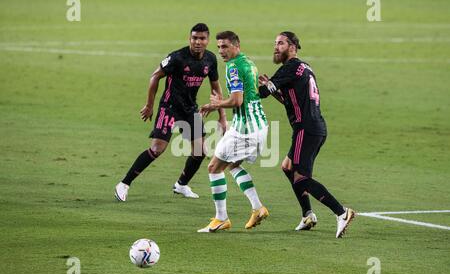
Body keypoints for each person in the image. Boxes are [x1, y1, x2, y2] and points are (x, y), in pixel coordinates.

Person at [115, 23, 227, 201]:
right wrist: (149, 105)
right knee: (157, 149)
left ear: (207, 40)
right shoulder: (177, 57)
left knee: (199, 152)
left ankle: (181, 185)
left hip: (190, 109)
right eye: (194, 38)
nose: (198, 42)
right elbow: (155, 76)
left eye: (202, 38)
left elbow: (216, 88)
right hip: (169, 107)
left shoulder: (210, 60)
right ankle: (124, 184)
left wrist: (222, 117)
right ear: (189, 39)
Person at [258, 31, 355, 238]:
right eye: (275, 43)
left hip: (306, 128)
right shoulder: (305, 67)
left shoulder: (290, 67)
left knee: (301, 178)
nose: (276, 47)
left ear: (292, 46)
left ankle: (341, 212)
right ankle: (307, 215)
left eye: (281, 43)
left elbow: (262, 93)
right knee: (287, 167)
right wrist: (273, 89)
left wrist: (245, 91)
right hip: (313, 126)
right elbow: (290, 100)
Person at [197, 31, 269, 233]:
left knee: (214, 168)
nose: (221, 51)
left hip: (245, 130)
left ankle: (221, 218)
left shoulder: (233, 67)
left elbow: (237, 100)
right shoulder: (249, 62)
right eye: (219, 47)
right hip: (259, 125)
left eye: (225, 46)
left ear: (236, 46)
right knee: (233, 165)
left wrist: (216, 104)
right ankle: (257, 207)